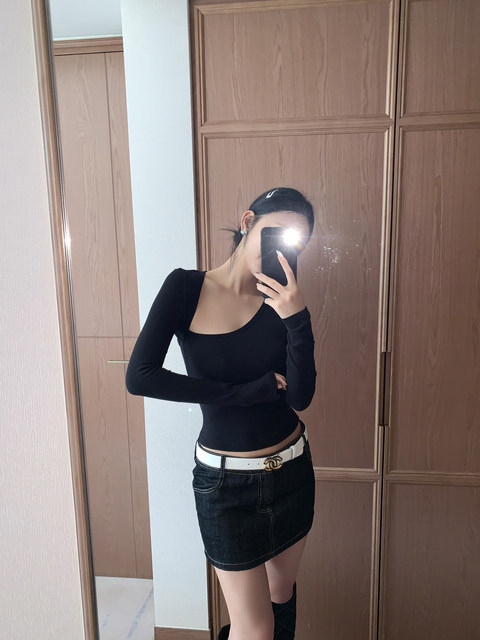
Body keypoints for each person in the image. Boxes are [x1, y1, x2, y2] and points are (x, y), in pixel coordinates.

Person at [126, 187, 317, 640]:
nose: (282, 250)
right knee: (255, 628)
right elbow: (141, 376)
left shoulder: (282, 299)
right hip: (224, 486)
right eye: (275, 233)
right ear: (248, 221)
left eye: (295, 243)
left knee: (281, 596)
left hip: (292, 471)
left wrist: (297, 318)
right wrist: (244, 393)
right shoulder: (185, 289)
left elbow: (300, 396)